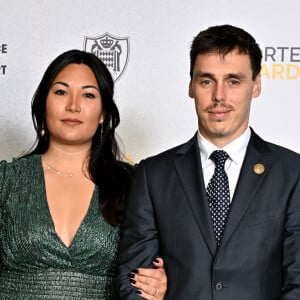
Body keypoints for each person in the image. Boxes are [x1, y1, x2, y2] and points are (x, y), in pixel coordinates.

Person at [118, 24, 300, 299]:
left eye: (233, 81)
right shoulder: (152, 175)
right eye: (206, 81)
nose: (219, 96)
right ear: (191, 85)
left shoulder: (293, 172)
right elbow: (134, 281)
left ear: (256, 85)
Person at [0, 49, 167, 299]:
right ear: (43, 104)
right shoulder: (6, 181)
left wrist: (163, 281)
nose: (73, 106)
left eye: (88, 95)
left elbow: (158, 264)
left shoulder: (133, 183)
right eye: (61, 92)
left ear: (103, 113)